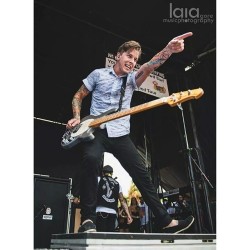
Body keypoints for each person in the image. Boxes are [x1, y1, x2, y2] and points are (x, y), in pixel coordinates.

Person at [66, 32, 195, 234]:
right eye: (129, 56)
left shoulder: (132, 80)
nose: (132, 62)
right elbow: (78, 95)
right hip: (96, 130)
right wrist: (76, 117)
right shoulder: (98, 74)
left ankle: (166, 221)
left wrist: (168, 49)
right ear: (118, 55)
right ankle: (88, 220)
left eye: (135, 59)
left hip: (120, 133)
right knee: (91, 160)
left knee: (141, 173)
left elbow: (150, 65)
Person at [95, 165, 132, 232]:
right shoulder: (118, 184)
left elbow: (92, 193)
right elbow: (122, 200)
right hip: (112, 212)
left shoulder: (99, 180)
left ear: (102, 172)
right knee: (110, 234)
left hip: (100, 210)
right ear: (112, 173)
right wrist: (128, 214)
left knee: (100, 234)